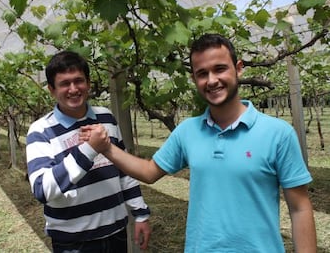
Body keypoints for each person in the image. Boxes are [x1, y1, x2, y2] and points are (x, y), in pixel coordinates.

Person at [81, 33, 317, 252]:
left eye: (220, 69)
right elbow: (149, 171)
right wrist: (107, 148)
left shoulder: (278, 134)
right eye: (202, 73)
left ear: (238, 69)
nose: (211, 80)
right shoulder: (187, 131)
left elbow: (300, 208)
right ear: (194, 78)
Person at [26, 50, 151, 253]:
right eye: (65, 83)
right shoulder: (41, 130)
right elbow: (42, 190)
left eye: (79, 81)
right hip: (74, 243)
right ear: (51, 89)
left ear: (89, 84)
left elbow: (123, 171)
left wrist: (141, 213)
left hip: (116, 233)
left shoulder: (106, 117)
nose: (73, 89)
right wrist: (89, 150)